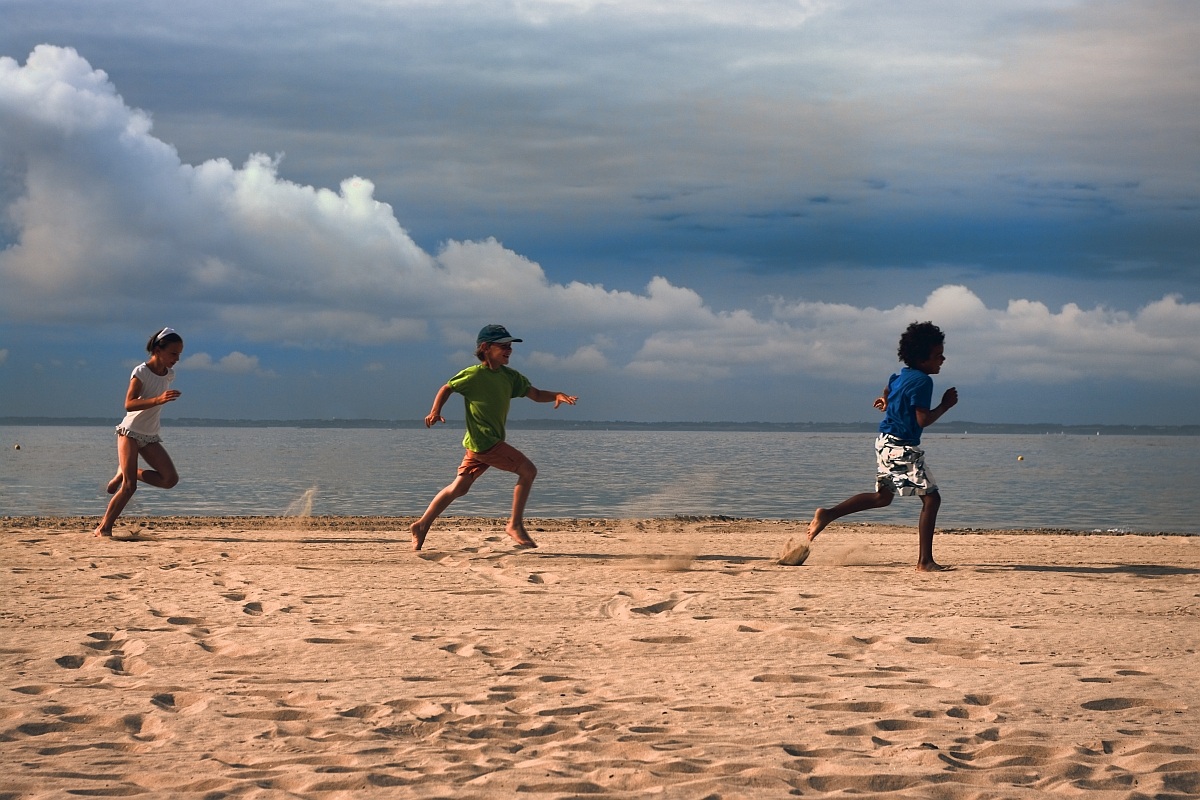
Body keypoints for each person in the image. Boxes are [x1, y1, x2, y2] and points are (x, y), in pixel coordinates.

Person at [410, 324, 578, 551]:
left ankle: (421, 525)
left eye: (510, 346)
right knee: (528, 471)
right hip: (486, 442)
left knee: (459, 488)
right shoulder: (473, 375)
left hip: (477, 444)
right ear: (486, 348)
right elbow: (447, 387)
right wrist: (435, 411)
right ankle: (515, 524)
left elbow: (536, 394)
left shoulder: (510, 377)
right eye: (503, 346)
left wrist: (556, 395)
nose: (509, 350)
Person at [806, 321, 958, 571]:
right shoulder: (922, 382)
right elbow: (923, 419)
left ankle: (828, 514)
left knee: (882, 497)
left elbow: (890, 387)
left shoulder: (901, 375)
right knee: (931, 499)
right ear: (922, 359)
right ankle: (925, 562)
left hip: (884, 443)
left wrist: (885, 399)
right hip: (901, 446)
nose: (943, 359)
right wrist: (944, 405)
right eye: (938, 355)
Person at [93, 328, 184, 537]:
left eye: (179, 354)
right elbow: (129, 404)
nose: (177, 359)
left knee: (170, 480)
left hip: (150, 435)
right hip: (130, 432)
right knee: (129, 487)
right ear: (158, 350)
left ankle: (127, 471)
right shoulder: (141, 371)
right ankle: (103, 529)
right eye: (173, 353)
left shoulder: (169, 375)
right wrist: (157, 400)